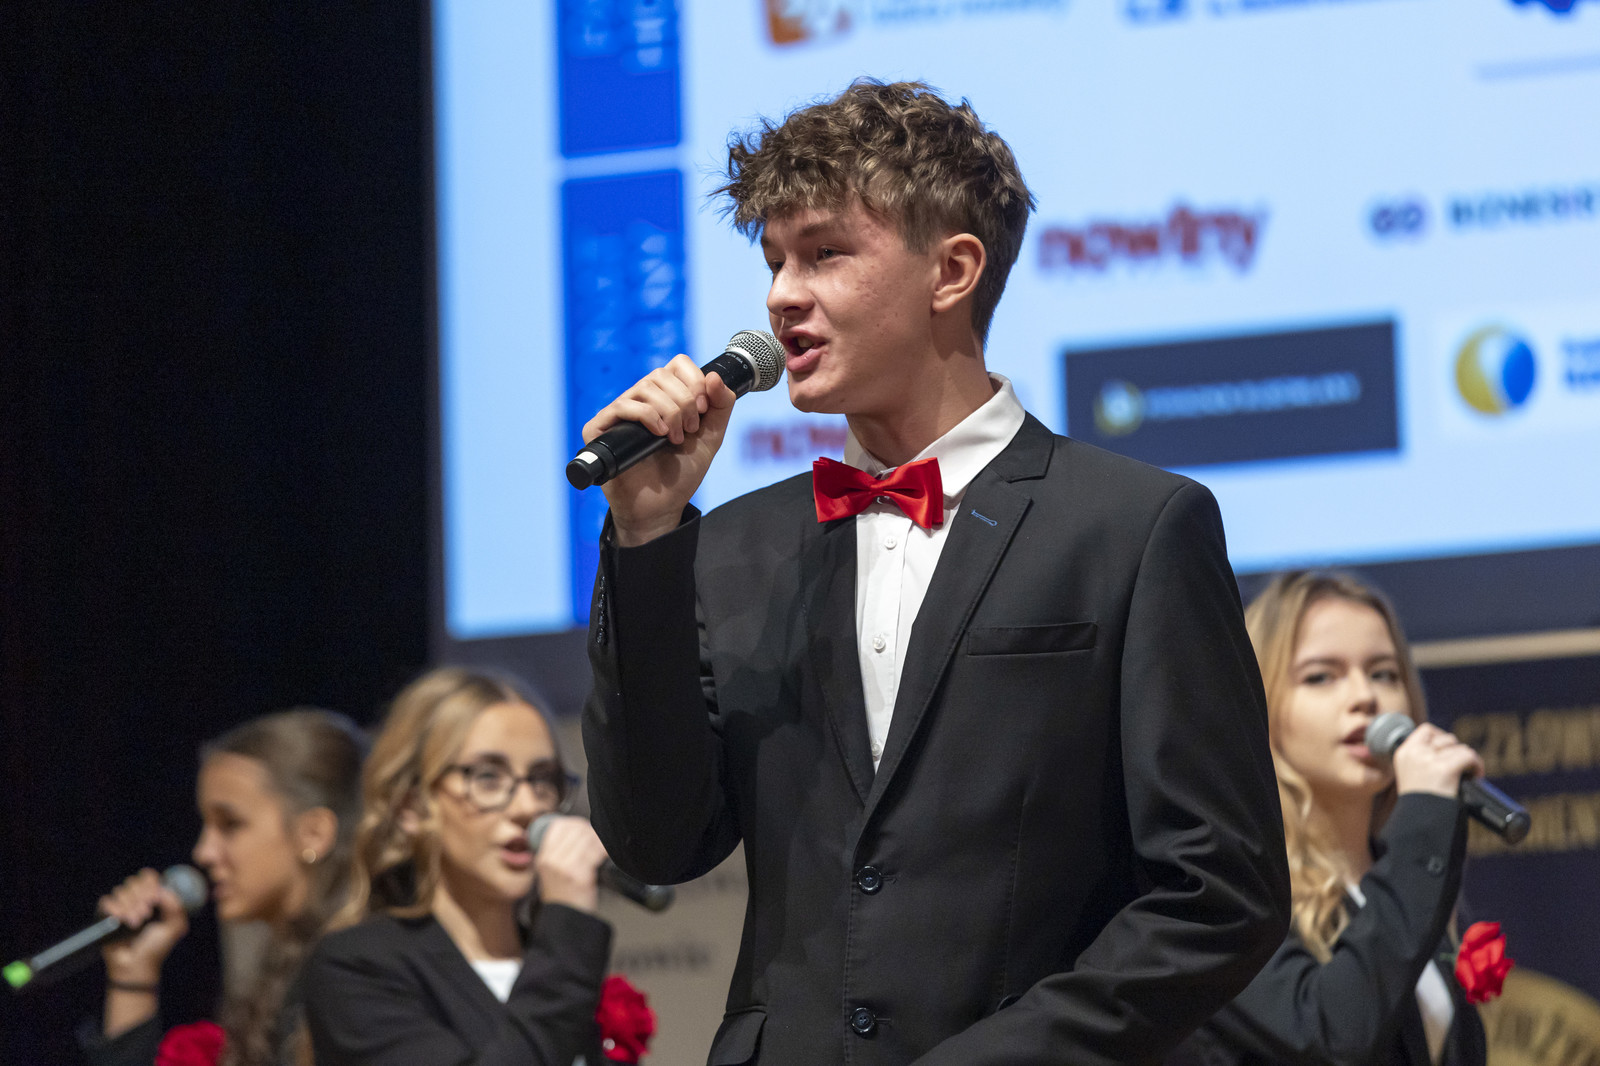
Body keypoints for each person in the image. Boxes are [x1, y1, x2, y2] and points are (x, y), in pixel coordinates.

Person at [580, 79, 1291, 1065]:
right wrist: (648, 539)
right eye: (774, 260)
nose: (782, 294)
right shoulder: (734, 548)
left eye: (825, 253)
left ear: (952, 271)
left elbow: (1218, 897)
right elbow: (658, 844)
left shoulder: (1132, 528)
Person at [1169, 571, 1488, 1066]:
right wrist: (1424, 820)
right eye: (1321, 676)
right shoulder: (1229, 891)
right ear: (1257, 704)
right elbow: (1331, 1036)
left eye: (1384, 673)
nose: (1365, 697)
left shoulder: (1406, 879)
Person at [303, 666, 613, 1066]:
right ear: (411, 806)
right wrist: (567, 922)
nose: (528, 807)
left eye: (542, 779)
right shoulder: (357, 967)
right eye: (487, 777)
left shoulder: (551, 960)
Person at [86, 707, 367, 1066]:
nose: (203, 852)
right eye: (206, 825)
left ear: (313, 833)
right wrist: (132, 975)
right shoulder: (282, 977)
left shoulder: (354, 980)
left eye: (230, 824)